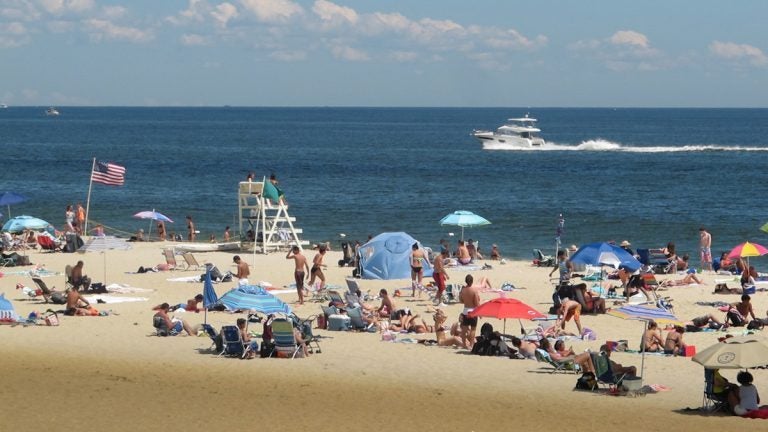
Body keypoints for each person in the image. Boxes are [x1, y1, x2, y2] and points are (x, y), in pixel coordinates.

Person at [459, 274, 481, 349]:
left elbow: (461, 301)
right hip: (473, 311)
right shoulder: (474, 290)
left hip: (465, 310)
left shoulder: (463, 290)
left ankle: (464, 344)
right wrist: (480, 312)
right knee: (473, 329)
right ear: (472, 281)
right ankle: (471, 345)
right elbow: (476, 303)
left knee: (464, 330)